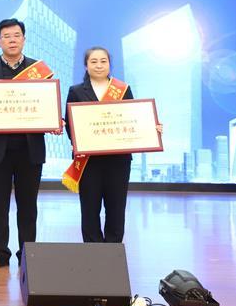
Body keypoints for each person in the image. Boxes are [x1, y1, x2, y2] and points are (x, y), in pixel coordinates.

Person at [0, 18, 59, 269]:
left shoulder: (38, 70)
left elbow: (48, 103)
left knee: (28, 205)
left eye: (16, 35)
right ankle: (0, 252)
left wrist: (53, 119)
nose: (12, 40)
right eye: (6, 36)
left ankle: (28, 252)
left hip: (30, 149)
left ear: (24, 39)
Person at [63, 46, 162, 243]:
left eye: (103, 61)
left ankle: (113, 250)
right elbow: (70, 126)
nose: (99, 65)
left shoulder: (123, 89)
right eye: (93, 61)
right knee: (89, 209)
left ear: (109, 64)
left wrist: (151, 129)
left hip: (118, 160)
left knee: (116, 208)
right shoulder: (76, 91)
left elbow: (133, 120)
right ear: (86, 65)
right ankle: (93, 250)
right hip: (89, 161)